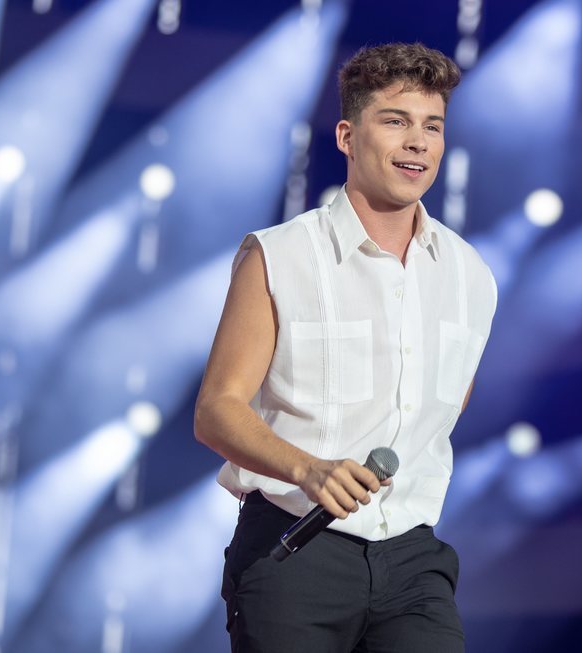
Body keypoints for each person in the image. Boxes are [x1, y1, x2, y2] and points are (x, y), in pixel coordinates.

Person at [194, 42, 497, 652]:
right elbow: (217, 409)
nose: (417, 142)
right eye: (395, 121)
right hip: (296, 549)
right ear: (346, 135)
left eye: (431, 126)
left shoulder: (469, 274)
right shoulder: (279, 256)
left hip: (414, 559)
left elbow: (451, 397)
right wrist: (308, 469)